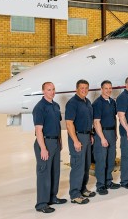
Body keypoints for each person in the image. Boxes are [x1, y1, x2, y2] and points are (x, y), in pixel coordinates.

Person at [33, 82, 66, 213]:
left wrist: (60, 141)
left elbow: (57, 127)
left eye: (53, 89)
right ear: (43, 91)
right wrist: (43, 148)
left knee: (55, 172)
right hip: (45, 143)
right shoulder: (40, 108)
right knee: (44, 174)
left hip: (55, 143)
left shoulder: (56, 106)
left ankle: (52, 197)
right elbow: (38, 130)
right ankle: (41, 204)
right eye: (48, 90)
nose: (52, 92)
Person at [65, 79, 95, 204]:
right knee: (78, 166)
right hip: (77, 137)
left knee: (86, 165)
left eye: (86, 88)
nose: (84, 90)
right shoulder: (72, 103)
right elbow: (69, 123)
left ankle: (83, 189)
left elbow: (88, 120)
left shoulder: (87, 102)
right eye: (82, 88)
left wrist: (91, 134)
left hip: (87, 136)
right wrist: (76, 141)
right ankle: (75, 194)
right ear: (77, 89)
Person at [92, 80, 120, 195]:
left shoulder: (112, 102)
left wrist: (116, 132)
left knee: (110, 159)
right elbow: (96, 122)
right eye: (106, 88)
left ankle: (109, 181)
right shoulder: (97, 103)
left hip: (111, 133)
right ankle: (100, 185)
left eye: (110, 88)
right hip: (101, 134)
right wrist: (102, 138)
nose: (108, 90)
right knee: (101, 161)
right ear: (101, 89)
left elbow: (114, 119)